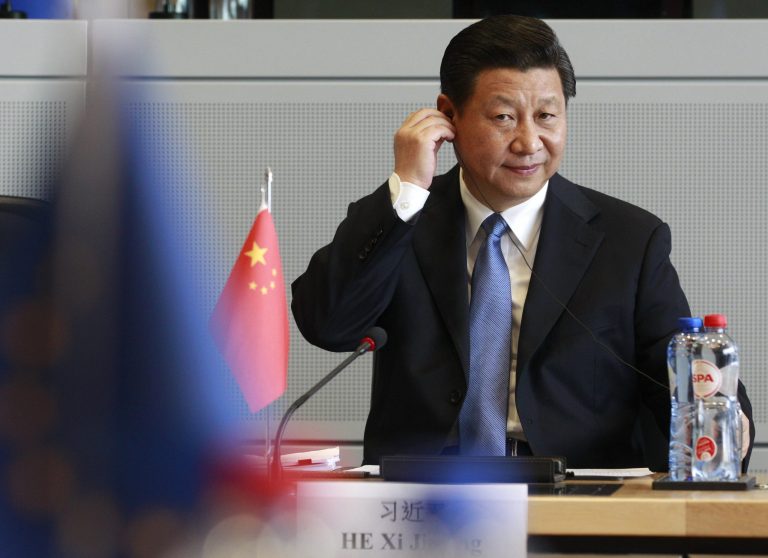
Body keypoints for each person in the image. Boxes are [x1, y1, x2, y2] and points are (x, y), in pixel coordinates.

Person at [291, 15, 754, 470]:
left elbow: (682, 372)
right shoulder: (402, 219)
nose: (529, 142)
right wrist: (408, 190)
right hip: (423, 500)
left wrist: (722, 417)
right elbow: (327, 325)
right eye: (504, 118)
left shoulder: (629, 239)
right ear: (448, 116)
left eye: (547, 116)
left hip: (579, 499)